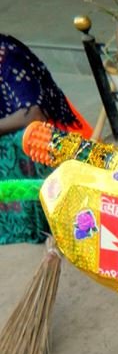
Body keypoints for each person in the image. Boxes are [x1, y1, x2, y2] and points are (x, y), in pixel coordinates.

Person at [0, 33, 92, 244]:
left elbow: (34, 115)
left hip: (51, 142)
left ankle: (39, 217)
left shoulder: (8, 56)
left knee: (25, 138)